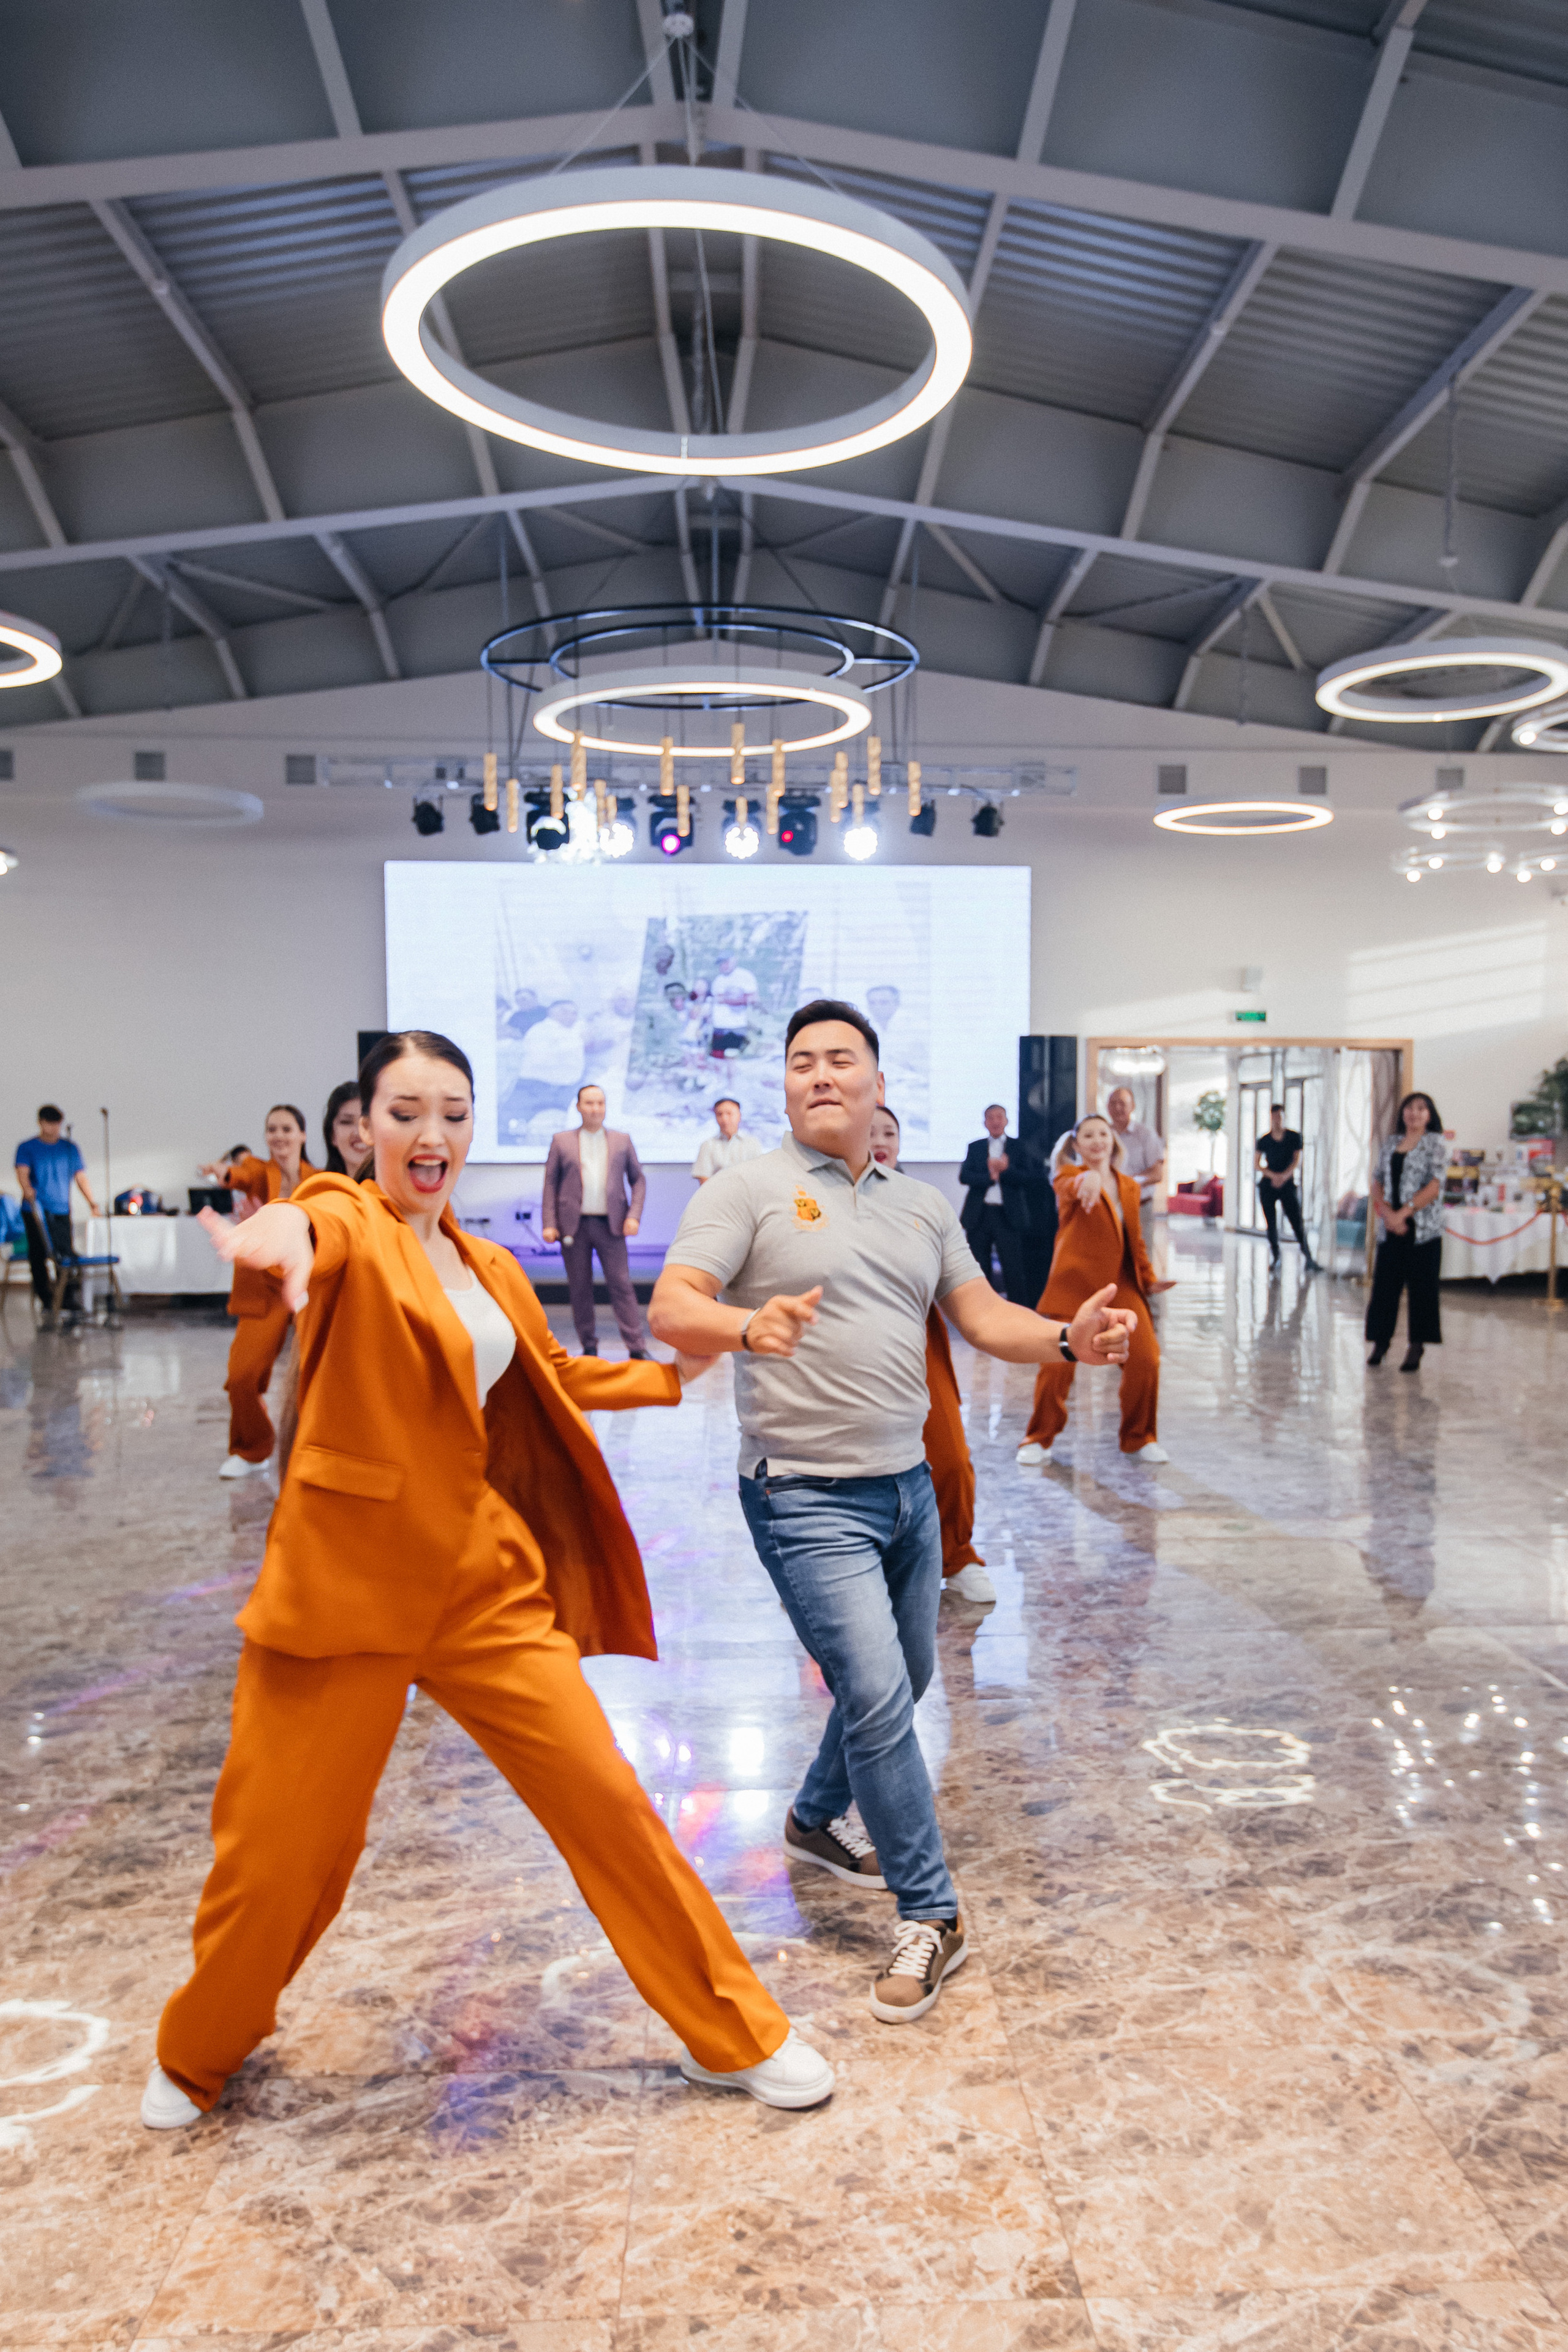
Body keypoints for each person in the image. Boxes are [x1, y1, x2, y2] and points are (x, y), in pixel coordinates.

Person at [140, 1028, 831, 2131]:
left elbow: (548, 1373)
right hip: (342, 1595)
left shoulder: (492, 1265)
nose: (433, 1135)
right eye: (407, 1112)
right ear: (364, 1128)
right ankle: (195, 2052)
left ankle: (734, 2029)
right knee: (278, 1860)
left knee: (612, 1808)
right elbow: (304, 1220)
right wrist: (275, 1230)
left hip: (481, 1586)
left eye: (455, 1114)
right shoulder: (346, 1220)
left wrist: (685, 1367)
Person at [649, 1001, 1134, 2026]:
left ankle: (818, 1818)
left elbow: (982, 1313)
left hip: (907, 1488)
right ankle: (933, 1911)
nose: (819, 1074)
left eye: (840, 1060)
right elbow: (674, 1304)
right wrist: (747, 1324)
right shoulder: (749, 1189)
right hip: (802, 1494)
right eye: (801, 1063)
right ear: (786, 1086)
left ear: (875, 1082)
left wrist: (1065, 1342)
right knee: (876, 1695)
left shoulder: (920, 1205)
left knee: (910, 1672)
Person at [870, 1106, 993, 1606]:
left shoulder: (922, 1203)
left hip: (919, 1349)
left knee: (951, 1459)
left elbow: (966, 1291)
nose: (881, 1140)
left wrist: (1063, 1338)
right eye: (871, 1131)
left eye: (890, 1132)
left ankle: (957, 1556)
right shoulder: (813, 1200)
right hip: (842, 1355)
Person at [1017, 1111, 1175, 1469]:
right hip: (1074, 1288)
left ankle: (1140, 1438)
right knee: (1056, 1366)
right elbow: (1070, 1187)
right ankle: (1038, 1439)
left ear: (1112, 1141)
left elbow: (1135, 1241)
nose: (1097, 1141)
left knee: (1146, 1359)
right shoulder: (1067, 1176)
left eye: (1102, 1134)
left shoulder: (1130, 1187)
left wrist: (1149, 1281)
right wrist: (1086, 1178)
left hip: (1121, 1285)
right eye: (1087, 1136)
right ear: (1076, 1144)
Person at [200, 1107, 316, 1479]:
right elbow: (241, 1174)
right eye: (272, 1129)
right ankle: (253, 1449)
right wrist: (225, 1173)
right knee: (242, 1377)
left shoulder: (319, 1179)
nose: (279, 1136)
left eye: (287, 1129)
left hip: (309, 1286)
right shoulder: (257, 1170)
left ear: (303, 1134)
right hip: (262, 1289)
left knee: (325, 1375)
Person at [542, 1085, 649, 1358]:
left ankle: (637, 1348)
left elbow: (638, 1180)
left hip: (611, 1225)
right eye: (589, 1103)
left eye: (600, 1103)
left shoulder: (622, 1140)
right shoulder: (561, 1141)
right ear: (578, 1106)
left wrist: (634, 1215)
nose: (595, 1109)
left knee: (622, 1286)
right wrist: (549, 1223)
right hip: (572, 1226)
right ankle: (589, 1347)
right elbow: (550, 1185)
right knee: (580, 1288)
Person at [1366, 1090, 1446, 1372]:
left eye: (1422, 1109)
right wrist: (1388, 1213)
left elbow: (1434, 1186)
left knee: (1422, 1289)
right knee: (1385, 1286)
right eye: (1410, 1109)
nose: (1415, 1114)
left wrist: (1404, 1213)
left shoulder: (1436, 1143)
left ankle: (1416, 1346)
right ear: (1402, 1113)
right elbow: (1376, 1180)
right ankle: (1381, 1342)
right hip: (1391, 1226)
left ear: (1429, 1115)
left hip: (1422, 1228)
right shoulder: (1391, 1143)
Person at [15, 1104, 100, 1317]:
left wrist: (92, 1202)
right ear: (41, 1123)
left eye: (56, 1124)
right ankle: (46, 1298)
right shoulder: (27, 1148)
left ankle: (68, 1296)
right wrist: (28, 1191)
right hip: (35, 1210)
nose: (53, 1128)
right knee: (38, 1253)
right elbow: (22, 1173)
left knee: (66, 1253)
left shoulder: (70, 1148)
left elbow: (80, 1177)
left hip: (61, 1210)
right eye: (49, 1123)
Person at [959, 1104, 1030, 1303]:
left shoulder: (1018, 1147)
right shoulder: (975, 1147)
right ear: (985, 1123)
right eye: (991, 1118)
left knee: (1013, 1266)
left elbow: (1028, 1178)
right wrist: (990, 1177)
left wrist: (1005, 1171)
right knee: (979, 1266)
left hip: (1008, 1215)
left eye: (1000, 1117)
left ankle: (1019, 1312)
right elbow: (964, 1176)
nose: (996, 1122)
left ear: (1006, 1121)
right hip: (980, 1214)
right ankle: (982, 1308)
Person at [1255, 1104, 1322, 1272]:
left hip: (1287, 1183)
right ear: (1271, 1118)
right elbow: (1257, 1164)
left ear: (1284, 1117)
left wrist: (1284, 1176)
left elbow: (1296, 1161)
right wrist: (1273, 1176)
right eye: (1275, 1117)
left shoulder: (1294, 1137)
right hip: (1269, 1184)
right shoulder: (1264, 1140)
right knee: (1271, 1223)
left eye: (1280, 1116)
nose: (1277, 1120)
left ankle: (1308, 1257)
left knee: (1296, 1220)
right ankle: (1276, 1257)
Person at [502, 998, 584, 1133]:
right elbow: (540, 1059)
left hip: (564, 1091)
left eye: (574, 1013)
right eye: (564, 1011)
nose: (570, 1016)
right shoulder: (540, 1030)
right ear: (550, 1012)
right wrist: (576, 1044)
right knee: (510, 1130)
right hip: (534, 1089)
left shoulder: (572, 1033)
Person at [1106, 1086, 1166, 1251]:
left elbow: (1157, 1174)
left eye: (1122, 1103)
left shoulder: (1146, 1135)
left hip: (1139, 1206)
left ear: (1132, 1107)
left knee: (1140, 1256)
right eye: (1113, 1103)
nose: (1117, 1108)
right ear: (1107, 1107)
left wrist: (1127, 1184)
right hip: (1109, 1207)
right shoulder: (1104, 1135)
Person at [692, 1097, 762, 1185]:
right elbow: (704, 1179)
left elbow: (758, 1176)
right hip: (717, 1196)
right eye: (719, 1114)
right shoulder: (708, 1145)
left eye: (729, 1114)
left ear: (739, 1116)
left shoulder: (752, 1143)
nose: (724, 1118)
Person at [709, 951, 758, 1058]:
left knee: (733, 1056)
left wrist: (726, 1000)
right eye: (721, 963)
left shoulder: (745, 976)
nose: (724, 966)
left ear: (734, 961)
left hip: (737, 1025)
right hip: (719, 1025)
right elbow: (716, 1001)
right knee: (718, 1056)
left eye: (726, 962)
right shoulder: (718, 980)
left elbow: (752, 998)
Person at [322, 1082, 365, 1177]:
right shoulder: (318, 1190)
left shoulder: (401, 1191)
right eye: (347, 1122)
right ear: (332, 1135)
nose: (358, 1132)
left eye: (367, 1122)